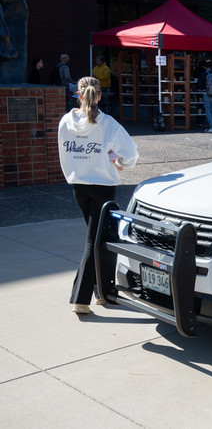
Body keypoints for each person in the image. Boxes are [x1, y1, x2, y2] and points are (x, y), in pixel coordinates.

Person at [57, 76, 139, 315]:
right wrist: (119, 160)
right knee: (96, 241)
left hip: (79, 187)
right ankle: (80, 298)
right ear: (99, 95)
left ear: (78, 95)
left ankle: (104, 292)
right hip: (103, 187)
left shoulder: (66, 122)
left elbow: (65, 153)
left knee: (102, 239)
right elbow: (131, 154)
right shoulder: (108, 124)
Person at [197, 59, 212, 133]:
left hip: (206, 94)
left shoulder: (204, 74)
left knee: (208, 111)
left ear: (204, 66)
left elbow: (199, 84)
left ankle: (211, 127)